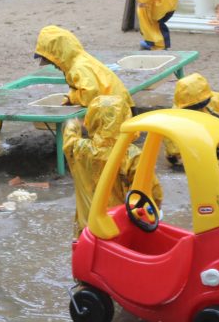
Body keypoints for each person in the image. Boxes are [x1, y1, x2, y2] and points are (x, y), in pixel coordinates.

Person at [63, 94, 163, 237]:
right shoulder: (132, 156)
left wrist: (72, 123)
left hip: (86, 233)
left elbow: (69, 137)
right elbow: (153, 192)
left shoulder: (79, 149)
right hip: (120, 229)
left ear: (92, 120)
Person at [33, 25, 134, 110]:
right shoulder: (79, 59)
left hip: (116, 110)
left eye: (54, 63)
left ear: (59, 57)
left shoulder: (78, 67)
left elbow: (89, 94)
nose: (55, 67)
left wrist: (72, 99)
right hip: (118, 104)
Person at [166, 72, 219, 167]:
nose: (198, 108)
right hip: (194, 150)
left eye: (202, 104)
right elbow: (173, 148)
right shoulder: (174, 118)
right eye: (194, 107)